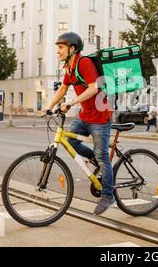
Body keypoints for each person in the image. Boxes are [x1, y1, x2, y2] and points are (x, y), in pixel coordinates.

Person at [44, 32, 114, 215]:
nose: (58, 51)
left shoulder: (84, 63)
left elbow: (94, 87)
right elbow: (64, 87)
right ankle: (95, 160)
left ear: (72, 48)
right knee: (72, 143)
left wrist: (71, 103)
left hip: (100, 116)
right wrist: (49, 106)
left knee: (102, 156)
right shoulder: (69, 67)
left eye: (61, 47)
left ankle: (108, 196)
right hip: (86, 115)